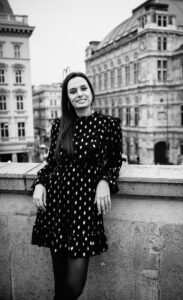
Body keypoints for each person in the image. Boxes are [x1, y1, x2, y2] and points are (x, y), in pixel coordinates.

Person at [32, 71, 122, 300]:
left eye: (83, 89)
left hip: (84, 210)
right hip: (57, 207)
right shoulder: (59, 125)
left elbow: (114, 162)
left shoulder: (108, 124)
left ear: (91, 93)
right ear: (68, 98)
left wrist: (105, 182)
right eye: (73, 91)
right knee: (61, 283)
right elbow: (52, 163)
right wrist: (40, 184)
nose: (79, 94)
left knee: (73, 287)